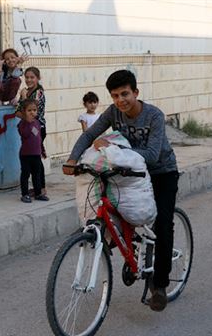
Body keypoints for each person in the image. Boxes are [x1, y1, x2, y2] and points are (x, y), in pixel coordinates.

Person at [62, 70, 179, 312]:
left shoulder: (154, 115)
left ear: (136, 92)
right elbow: (90, 135)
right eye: (115, 95)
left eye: (125, 94)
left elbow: (152, 154)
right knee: (110, 208)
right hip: (126, 171)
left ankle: (159, 286)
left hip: (160, 172)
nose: (120, 100)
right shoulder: (113, 112)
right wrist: (73, 159)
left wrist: (114, 150)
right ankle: (125, 243)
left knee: (163, 224)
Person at [17, 66, 47, 195]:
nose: (29, 80)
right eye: (27, 77)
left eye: (32, 77)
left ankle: (41, 188)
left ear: (38, 78)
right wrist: (24, 110)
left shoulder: (38, 92)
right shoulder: (26, 91)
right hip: (26, 128)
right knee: (33, 161)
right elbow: (18, 112)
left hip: (38, 127)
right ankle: (38, 188)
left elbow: (31, 111)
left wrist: (23, 99)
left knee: (37, 161)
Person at [17, 99, 50, 203]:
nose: (32, 113)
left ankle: (38, 193)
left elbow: (39, 138)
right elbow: (25, 134)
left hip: (36, 153)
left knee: (37, 174)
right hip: (26, 154)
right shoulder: (22, 124)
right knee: (25, 174)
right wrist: (28, 123)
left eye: (34, 110)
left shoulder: (37, 123)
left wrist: (42, 150)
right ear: (24, 112)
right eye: (29, 110)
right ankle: (25, 194)